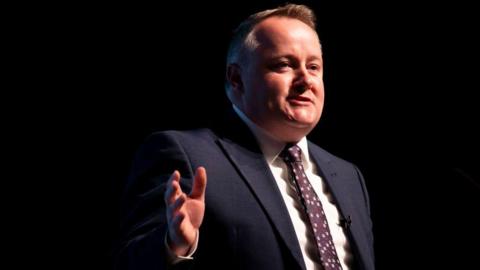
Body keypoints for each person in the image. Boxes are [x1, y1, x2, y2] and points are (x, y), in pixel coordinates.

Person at [114, 4, 374, 270]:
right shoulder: (185, 154)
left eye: (314, 67)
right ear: (236, 79)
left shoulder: (349, 176)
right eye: (284, 65)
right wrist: (174, 246)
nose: (305, 80)